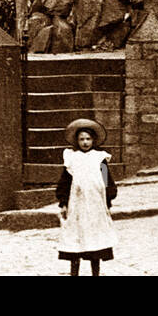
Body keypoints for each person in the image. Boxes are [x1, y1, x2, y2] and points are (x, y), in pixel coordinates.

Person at [56, 118, 117, 275]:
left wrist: (109, 199)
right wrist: (63, 202)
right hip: (77, 205)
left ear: (93, 140)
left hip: (96, 204)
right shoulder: (71, 158)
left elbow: (107, 179)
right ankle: (74, 272)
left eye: (88, 139)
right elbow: (65, 181)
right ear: (77, 141)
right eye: (81, 139)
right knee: (76, 238)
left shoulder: (100, 158)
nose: (85, 142)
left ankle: (95, 272)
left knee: (95, 239)